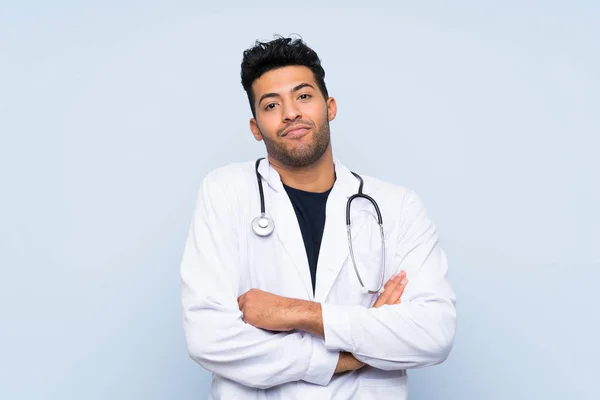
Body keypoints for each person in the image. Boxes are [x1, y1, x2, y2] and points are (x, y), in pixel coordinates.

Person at [180, 35, 457, 400]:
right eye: (271, 104)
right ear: (255, 126)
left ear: (330, 107)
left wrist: (298, 313)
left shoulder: (396, 207)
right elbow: (208, 337)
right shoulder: (226, 191)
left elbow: (433, 334)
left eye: (303, 96)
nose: (291, 112)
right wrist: (349, 355)